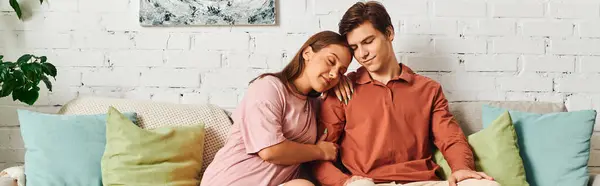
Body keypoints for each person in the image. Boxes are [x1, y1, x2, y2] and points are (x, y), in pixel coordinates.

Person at [311, 2, 501, 186]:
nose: (362, 54)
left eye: (368, 42)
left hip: (422, 181)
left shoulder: (428, 90)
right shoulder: (342, 91)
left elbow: (450, 138)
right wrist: (344, 182)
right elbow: (319, 155)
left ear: (389, 33)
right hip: (367, 183)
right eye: (354, 48)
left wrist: (462, 169)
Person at [199, 30, 353, 186]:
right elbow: (270, 151)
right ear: (307, 53)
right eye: (331, 61)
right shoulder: (268, 87)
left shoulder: (314, 105)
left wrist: (343, 83)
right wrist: (320, 151)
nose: (334, 74)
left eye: (341, 71)